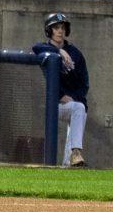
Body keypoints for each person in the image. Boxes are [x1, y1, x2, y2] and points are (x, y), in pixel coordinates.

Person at [31, 13, 90, 168]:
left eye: (63, 28)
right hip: (53, 105)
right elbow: (36, 47)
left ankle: (70, 160)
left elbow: (84, 83)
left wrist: (73, 97)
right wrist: (58, 52)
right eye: (56, 28)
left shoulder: (76, 53)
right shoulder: (46, 49)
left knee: (79, 108)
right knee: (79, 108)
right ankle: (75, 154)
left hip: (73, 103)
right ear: (49, 30)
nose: (60, 31)